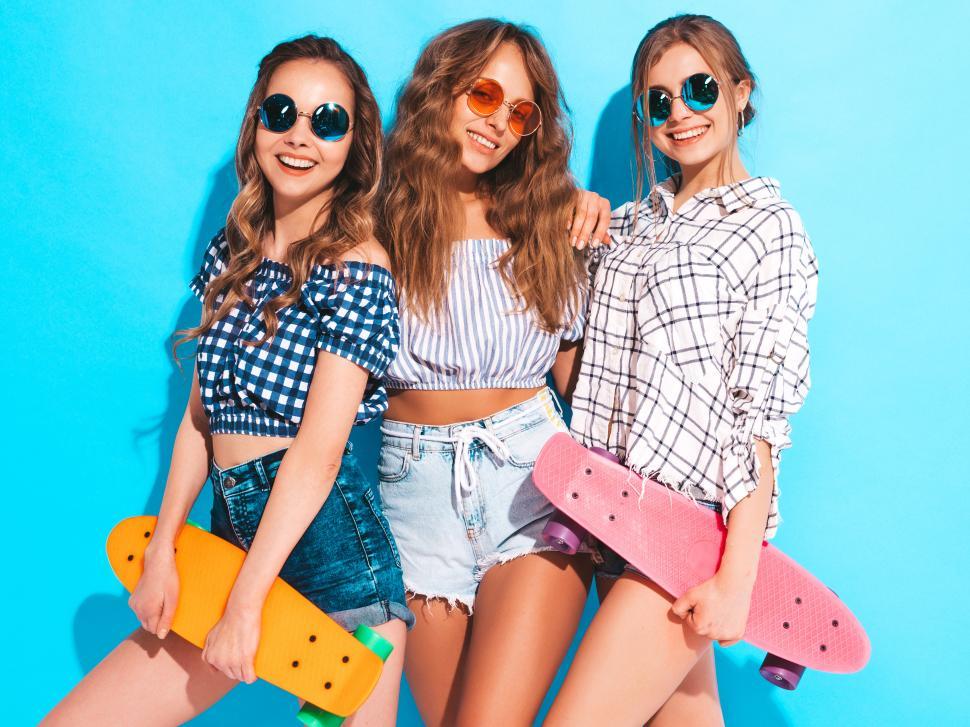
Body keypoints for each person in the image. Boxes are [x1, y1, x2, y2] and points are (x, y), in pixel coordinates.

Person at [43, 35, 410, 726]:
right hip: (231, 541)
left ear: (354, 145)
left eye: (327, 121)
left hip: (334, 558)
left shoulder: (357, 266)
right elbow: (199, 420)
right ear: (256, 123)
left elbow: (319, 452)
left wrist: (246, 602)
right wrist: (163, 549)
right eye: (283, 112)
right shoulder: (233, 253)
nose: (301, 136)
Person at [545, 14, 819, 726]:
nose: (680, 113)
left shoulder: (770, 226)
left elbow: (761, 414)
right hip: (609, 516)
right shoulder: (631, 224)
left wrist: (738, 576)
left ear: (739, 92)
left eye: (698, 89)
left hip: (689, 532)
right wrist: (567, 243)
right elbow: (578, 373)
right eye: (658, 101)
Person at [375, 18, 611, 727]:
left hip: (533, 485)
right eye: (483, 95)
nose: (499, 123)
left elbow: (580, 379)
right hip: (411, 505)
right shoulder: (369, 217)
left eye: (520, 111)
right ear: (440, 90)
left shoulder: (547, 217)